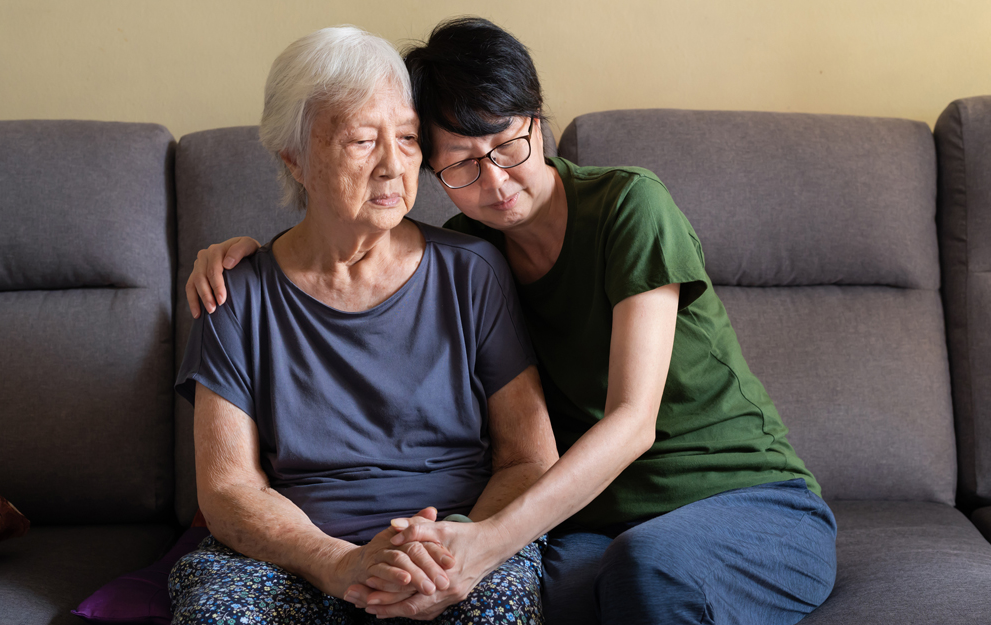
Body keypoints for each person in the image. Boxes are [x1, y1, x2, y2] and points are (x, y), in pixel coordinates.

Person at [188, 18, 838, 625]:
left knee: (645, 575)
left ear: (538, 121)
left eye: (509, 143)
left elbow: (631, 421)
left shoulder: (622, 210)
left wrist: (481, 542)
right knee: (550, 595)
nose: (496, 181)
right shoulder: (476, 248)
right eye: (463, 163)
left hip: (737, 497)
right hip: (593, 518)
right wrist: (243, 258)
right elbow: (352, 245)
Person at [171, 25, 560, 625]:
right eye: (359, 141)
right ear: (294, 159)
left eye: (407, 139)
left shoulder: (472, 272)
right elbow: (227, 492)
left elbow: (529, 459)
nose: (391, 166)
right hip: (297, 555)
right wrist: (337, 562)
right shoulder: (234, 292)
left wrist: (447, 548)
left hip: (457, 545)